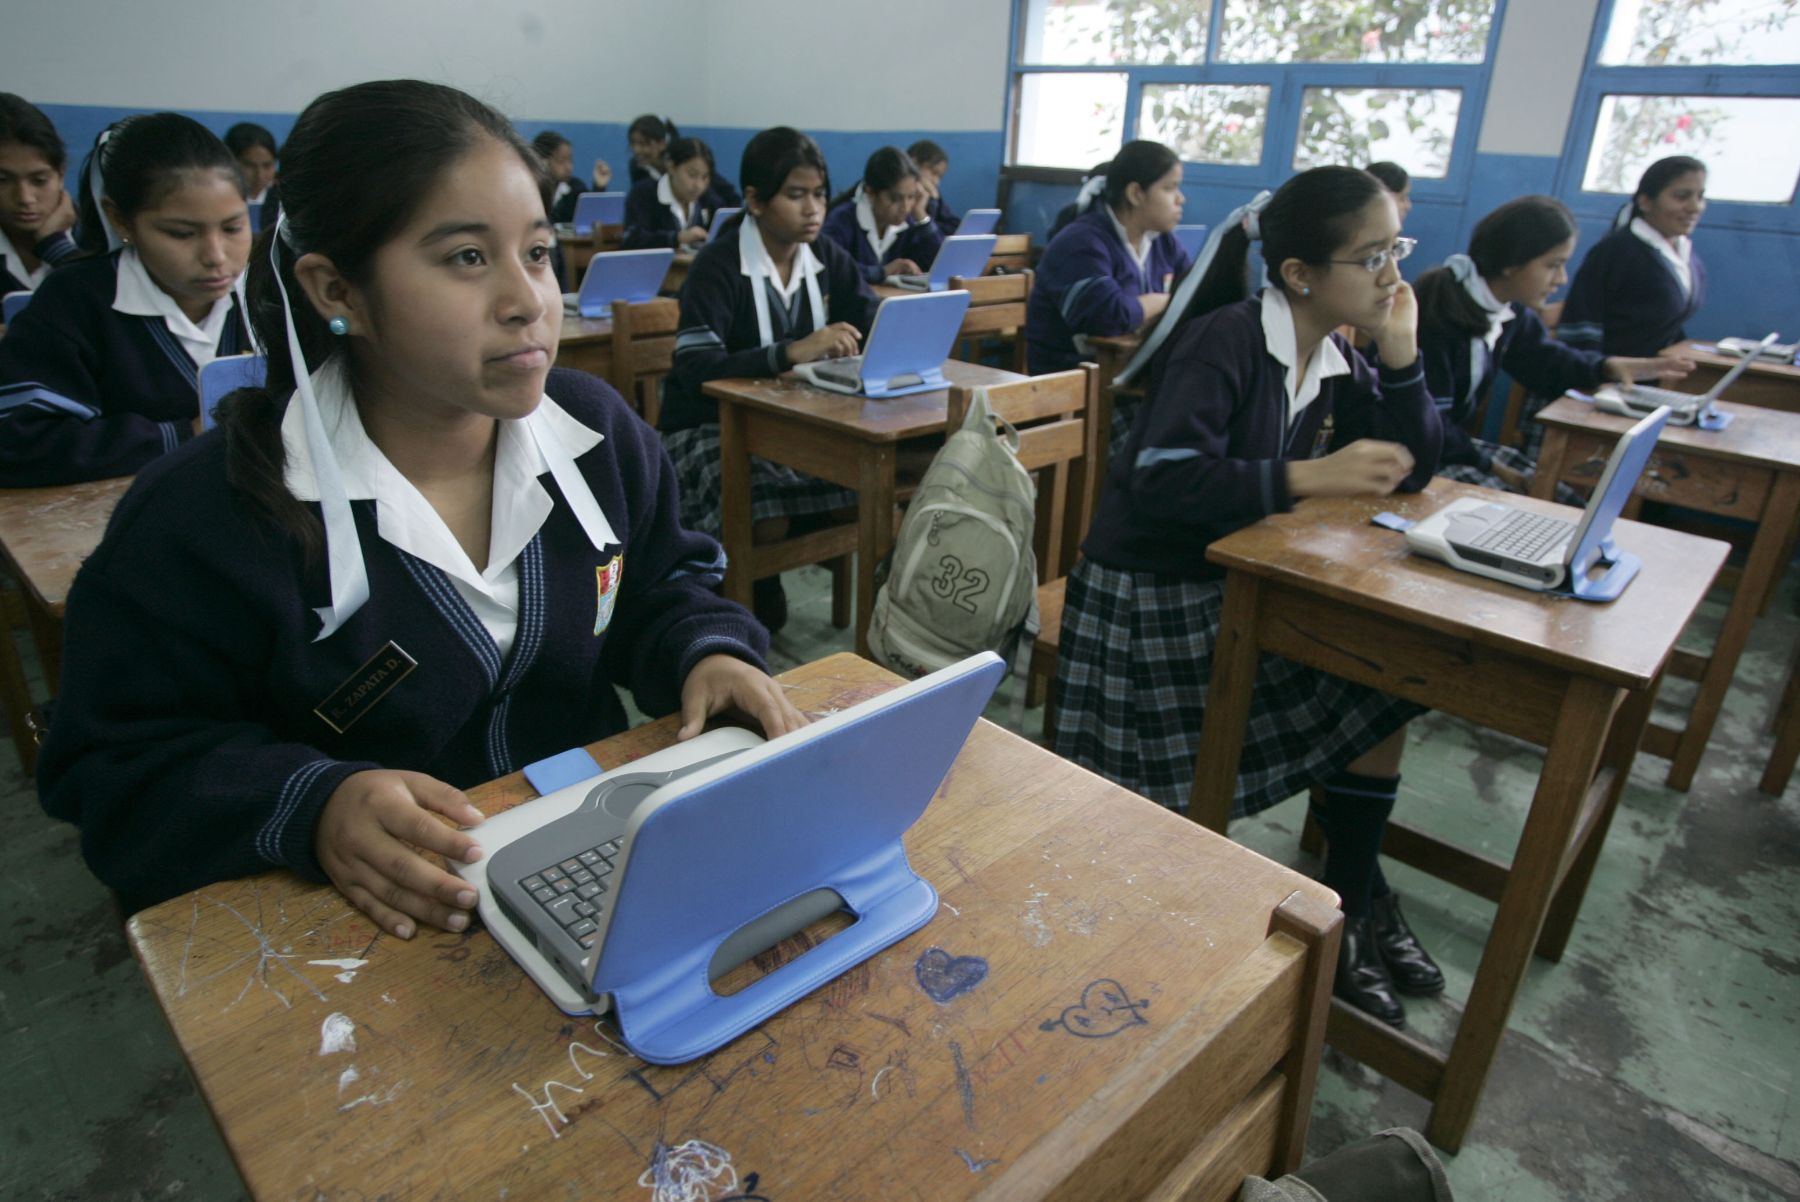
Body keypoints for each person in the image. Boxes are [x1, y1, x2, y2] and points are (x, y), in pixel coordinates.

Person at [36, 79, 800, 937]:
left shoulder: (598, 434)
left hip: (585, 867)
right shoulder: (207, 519)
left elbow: (664, 587)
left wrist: (705, 654)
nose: (529, 301)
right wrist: (312, 804)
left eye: (539, 253)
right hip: (370, 927)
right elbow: (112, 767)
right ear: (336, 291)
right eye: (467, 258)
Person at [1051, 166, 1445, 1027]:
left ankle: (1349, 895)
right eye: (1371, 256)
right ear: (1301, 275)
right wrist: (1307, 474)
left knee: (1391, 680)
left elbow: (1415, 465)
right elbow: (1160, 479)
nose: (1391, 275)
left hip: (1228, 582)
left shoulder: (1336, 350)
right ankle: (1349, 890)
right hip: (1148, 604)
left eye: (1396, 251)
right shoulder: (1227, 340)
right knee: (1375, 680)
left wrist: (1404, 355)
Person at [659, 126, 879, 632]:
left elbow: (869, 314)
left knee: (863, 484)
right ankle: (746, 578)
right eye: (795, 195)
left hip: (793, 423)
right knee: (766, 507)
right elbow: (694, 367)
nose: (813, 209)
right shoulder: (718, 265)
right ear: (755, 201)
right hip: (703, 426)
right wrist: (790, 352)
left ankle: (769, 560)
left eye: (820, 194)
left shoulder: (825, 258)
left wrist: (866, 339)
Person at [0, 113, 254, 486]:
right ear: (120, 220)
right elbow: (18, 440)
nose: (216, 256)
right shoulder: (77, 300)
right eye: (182, 233)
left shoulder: (268, 295)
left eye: (233, 227)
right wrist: (182, 435)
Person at [1408, 195, 1692, 496]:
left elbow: (1547, 363)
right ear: (1511, 261)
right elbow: (1426, 423)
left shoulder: (1508, 313)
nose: (1561, 279)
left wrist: (1608, 366)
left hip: (1447, 447)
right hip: (1415, 457)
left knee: (1564, 500)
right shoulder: (1438, 314)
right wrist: (1490, 465)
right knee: (1534, 504)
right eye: (1552, 265)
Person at [1025, 139, 1189, 448]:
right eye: (1169, 188)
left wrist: (1156, 305)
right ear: (1136, 193)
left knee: (1203, 430)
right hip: (1073, 391)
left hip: (1130, 382)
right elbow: (1109, 316)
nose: (1180, 199)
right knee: (1161, 450)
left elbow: (1196, 298)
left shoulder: (1163, 243)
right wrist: (1166, 301)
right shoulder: (1082, 241)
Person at [1560, 155, 1707, 359]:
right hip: (1611, 380)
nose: (1695, 207)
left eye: (1700, 196)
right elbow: (1581, 326)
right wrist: (1594, 376)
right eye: (1682, 196)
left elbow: (1668, 327)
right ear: (1645, 202)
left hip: (1651, 378)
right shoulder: (1616, 251)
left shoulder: (1686, 254)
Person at [819, 146, 943, 283]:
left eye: (911, 197)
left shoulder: (909, 221)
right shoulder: (842, 220)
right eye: (895, 199)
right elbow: (831, 268)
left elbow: (941, 265)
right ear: (871, 193)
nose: (905, 207)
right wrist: (882, 272)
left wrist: (921, 217)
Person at [0, 93, 79, 295]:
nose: (25, 198)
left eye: (39, 181)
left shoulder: (100, 235)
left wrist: (55, 245)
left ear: (61, 174)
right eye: (3, 180)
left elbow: (112, 312)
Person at [623, 137, 726, 250]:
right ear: (671, 167)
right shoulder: (644, 194)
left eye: (705, 177)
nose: (699, 185)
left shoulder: (708, 199)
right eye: (692, 175)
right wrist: (676, 238)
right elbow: (632, 239)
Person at [224, 122, 279, 231]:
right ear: (230, 162)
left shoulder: (283, 202)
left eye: (267, 165)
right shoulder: (218, 200)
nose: (259, 175)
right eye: (249, 165)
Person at [907, 138, 960, 235]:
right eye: (933, 173)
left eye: (940, 176)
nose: (936, 181)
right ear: (913, 164)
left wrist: (934, 201)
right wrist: (932, 203)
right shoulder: (903, 197)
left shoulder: (932, 194)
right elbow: (918, 235)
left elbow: (954, 227)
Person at [626, 114, 677, 187]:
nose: (636, 150)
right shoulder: (636, 167)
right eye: (632, 143)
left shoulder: (678, 167)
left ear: (662, 144)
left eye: (643, 144)